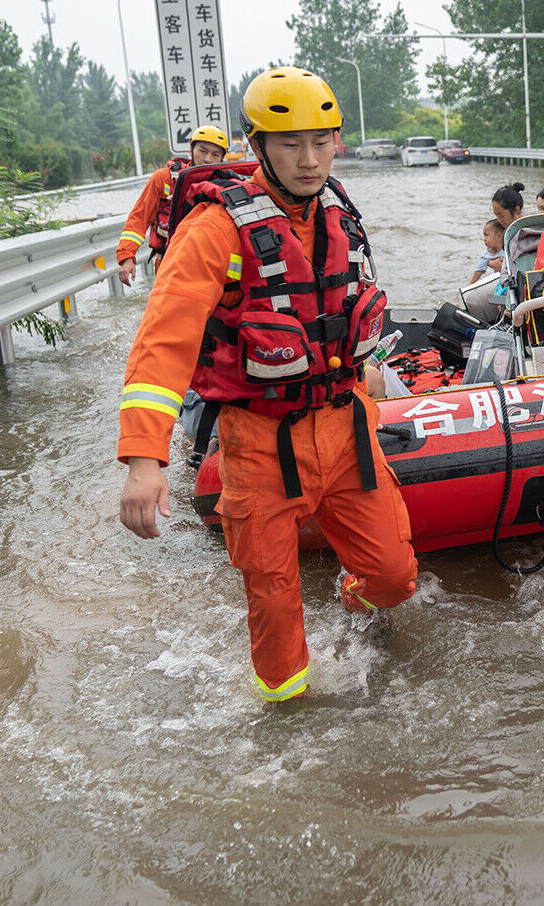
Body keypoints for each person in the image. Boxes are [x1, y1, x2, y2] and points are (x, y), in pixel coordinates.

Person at [117, 66, 418, 702]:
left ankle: (352, 610)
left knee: (393, 575)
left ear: (338, 139)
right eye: (290, 143)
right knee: (275, 610)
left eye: (322, 140)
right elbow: (163, 340)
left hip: (345, 424)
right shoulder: (215, 228)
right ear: (256, 146)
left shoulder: (340, 211)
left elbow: (349, 309)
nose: (309, 159)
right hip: (258, 440)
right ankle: (287, 724)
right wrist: (146, 459)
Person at [116, 125, 230, 284]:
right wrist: (127, 256)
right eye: (202, 151)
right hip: (169, 262)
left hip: (210, 266)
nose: (207, 159)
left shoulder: (228, 186)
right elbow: (139, 218)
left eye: (215, 154)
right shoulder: (164, 179)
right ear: (191, 150)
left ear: (222, 159)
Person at [470, 218, 506, 284]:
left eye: (487, 235)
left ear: (499, 236)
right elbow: (478, 271)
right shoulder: (486, 255)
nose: (484, 239)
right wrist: (471, 284)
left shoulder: (507, 249)